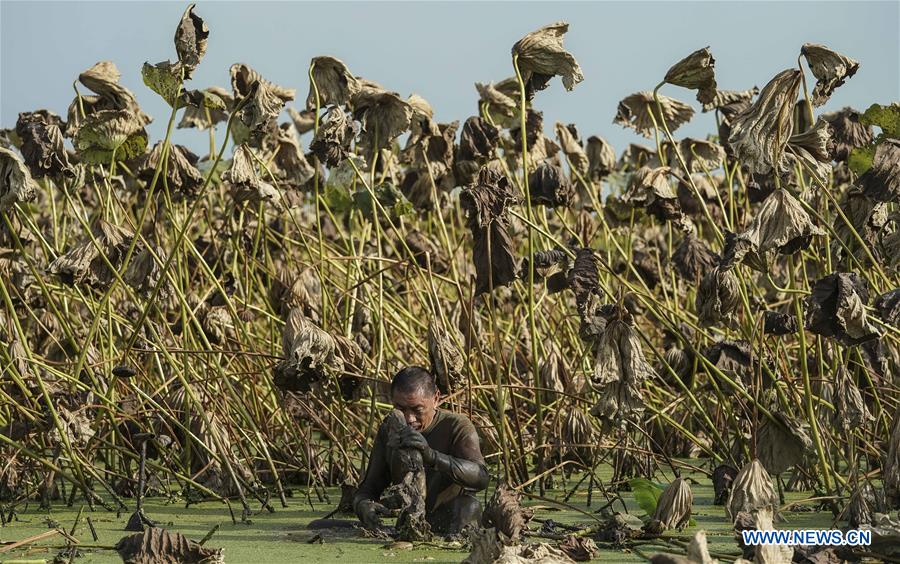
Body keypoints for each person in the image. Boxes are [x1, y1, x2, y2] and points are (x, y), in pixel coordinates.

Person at [353, 366, 489, 534]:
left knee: (470, 506)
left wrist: (432, 456)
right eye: (400, 409)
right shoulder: (389, 430)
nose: (409, 419)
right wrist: (363, 506)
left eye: (417, 410)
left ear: (436, 398)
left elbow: (481, 477)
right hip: (409, 523)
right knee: (316, 526)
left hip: (449, 520)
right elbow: (369, 488)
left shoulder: (457, 426)